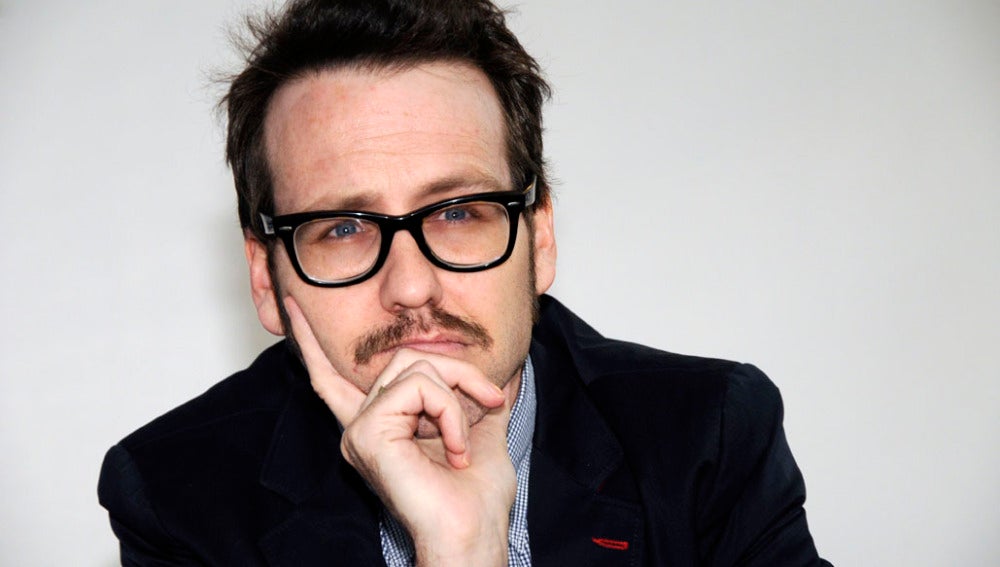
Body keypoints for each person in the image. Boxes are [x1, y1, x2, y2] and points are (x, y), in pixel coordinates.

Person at [98, 0, 831, 565]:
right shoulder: (177, 493)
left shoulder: (708, 436)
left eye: (457, 212)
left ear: (540, 238)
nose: (412, 286)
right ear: (266, 277)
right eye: (343, 227)